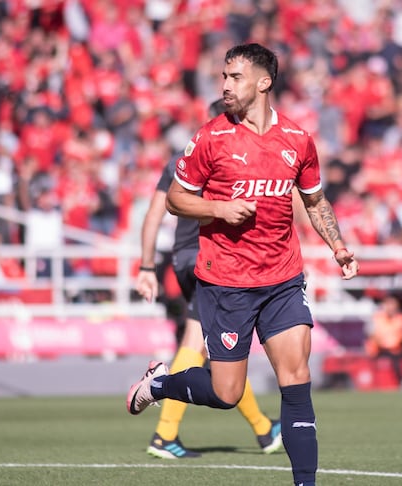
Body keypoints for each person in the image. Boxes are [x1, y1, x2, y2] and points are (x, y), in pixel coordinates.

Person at [126, 43, 359, 486]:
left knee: (297, 379)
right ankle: (159, 385)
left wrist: (339, 246)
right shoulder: (210, 137)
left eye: (234, 77)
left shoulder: (297, 139)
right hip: (226, 282)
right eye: (224, 76)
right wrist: (218, 209)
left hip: (283, 279)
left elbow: (315, 201)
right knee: (226, 392)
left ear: (263, 82)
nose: (225, 85)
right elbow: (175, 199)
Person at [134, 98, 282, 459]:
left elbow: (155, 214)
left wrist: (148, 266)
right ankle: (164, 434)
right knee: (199, 341)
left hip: (187, 259)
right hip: (211, 260)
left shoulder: (181, 158)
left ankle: (264, 430)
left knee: (219, 355)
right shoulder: (230, 156)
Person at [364, 294, 402, 385]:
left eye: (393, 305)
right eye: (389, 305)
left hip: (396, 349)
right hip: (379, 349)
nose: (391, 308)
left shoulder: (401, 319)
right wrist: (381, 343)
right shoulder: (377, 317)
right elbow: (371, 334)